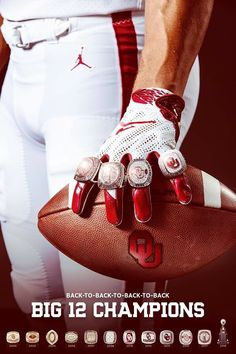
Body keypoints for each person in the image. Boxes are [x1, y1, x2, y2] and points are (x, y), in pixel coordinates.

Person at [0, 0, 214, 328]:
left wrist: (156, 98)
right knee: (39, 300)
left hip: (106, 46)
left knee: (105, 318)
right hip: (19, 54)